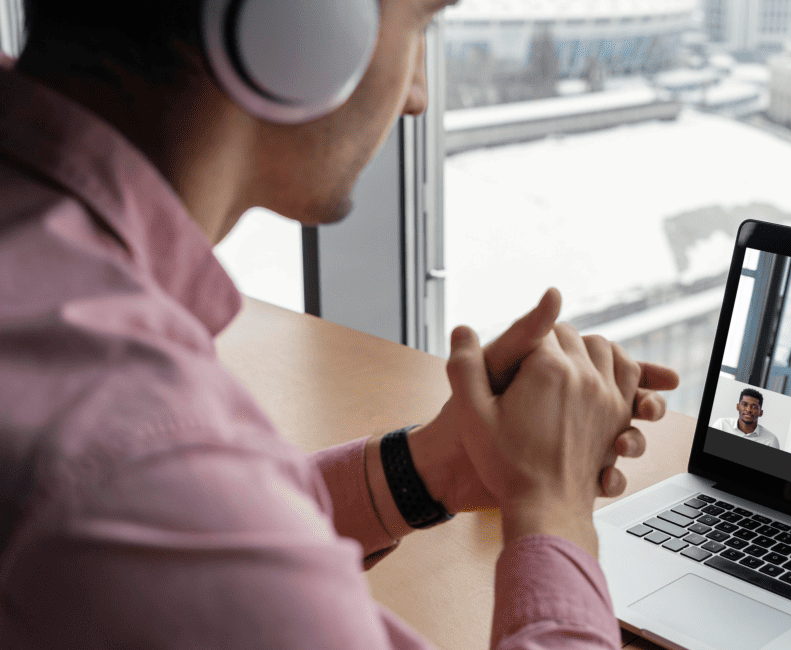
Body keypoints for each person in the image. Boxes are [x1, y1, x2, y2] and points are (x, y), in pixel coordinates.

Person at [0, 2, 681, 648]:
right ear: (295, 18)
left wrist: (427, 468)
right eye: (418, 22)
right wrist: (552, 509)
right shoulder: (137, 454)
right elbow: (165, 491)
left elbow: (207, 528)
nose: (416, 93)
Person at [710, 388, 780, 449]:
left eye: (754, 407)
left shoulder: (770, 441)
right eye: (744, 404)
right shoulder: (721, 425)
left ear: (761, 413)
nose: (748, 410)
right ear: (737, 407)